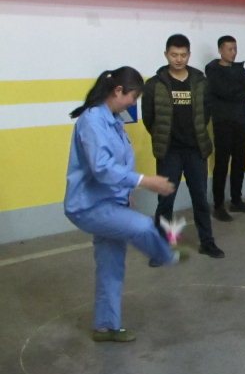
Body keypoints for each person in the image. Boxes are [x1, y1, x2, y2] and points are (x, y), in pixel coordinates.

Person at [66, 67, 186, 343]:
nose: (133, 103)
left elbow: (118, 163)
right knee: (143, 226)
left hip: (111, 202)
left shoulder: (113, 120)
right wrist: (145, 181)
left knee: (111, 266)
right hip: (89, 206)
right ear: (118, 91)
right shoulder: (92, 121)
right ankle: (166, 254)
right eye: (133, 97)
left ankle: (105, 327)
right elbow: (102, 168)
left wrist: (126, 193)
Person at [142, 34, 224, 259]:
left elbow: (206, 113)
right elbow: (149, 118)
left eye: (183, 55)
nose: (178, 59)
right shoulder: (154, 85)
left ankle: (207, 242)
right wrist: (162, 137)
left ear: (189, 55)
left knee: (200, 199)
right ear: (166, 55)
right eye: (174, 55)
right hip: (169, 152)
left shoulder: (200, 82)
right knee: (165, 201)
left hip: (196, 151)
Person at [205, 35, 245, 222]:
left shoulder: (240, 69)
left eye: (235, 48)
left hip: (241, 120)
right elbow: (223, 91)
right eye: (230, 49)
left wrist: (235, 92)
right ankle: (218, 205)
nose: (233, 52)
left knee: (240, 161)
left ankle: (236, 200)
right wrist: (238, 92)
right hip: (223, 122)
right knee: (221, 163)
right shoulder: (212, 70)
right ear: (220, 50)